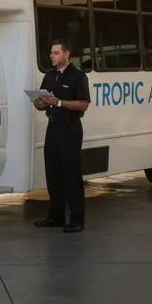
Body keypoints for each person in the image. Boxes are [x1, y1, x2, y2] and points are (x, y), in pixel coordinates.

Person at [33, 39, 90, 233]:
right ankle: (55, 216)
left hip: (70, 128)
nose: (52, 56)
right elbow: (41, 102)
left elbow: (83, 104)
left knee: (71, 174)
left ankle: (76, 219)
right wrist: (40, 104)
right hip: (53, 127)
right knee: (53, 173)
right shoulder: (49, 76)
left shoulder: (78, 76)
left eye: (56, 53)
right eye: (51, 53)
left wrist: (58, 102)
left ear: (66, 54)